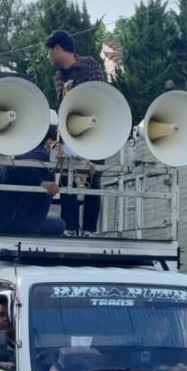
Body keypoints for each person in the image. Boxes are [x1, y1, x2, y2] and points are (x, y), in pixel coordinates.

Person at [47, 29, 107, 233]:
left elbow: (99, 97)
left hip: (94, 132)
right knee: (66, 180)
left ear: (57, 48)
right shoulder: (58, 77)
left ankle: (90, 229)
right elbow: (63, 108)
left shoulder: (89, 65)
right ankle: (70, 227)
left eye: (49, 52)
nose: (48, 57)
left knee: (93, 179)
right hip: (69, 135)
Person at [0, 125, 65, 236]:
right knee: (60, 224)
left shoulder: (16, 152)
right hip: (16, 224)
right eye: (61, 145)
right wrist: (41, 183)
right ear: (50, 142)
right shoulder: (42, 155)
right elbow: (15, 167)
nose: (62, 149)